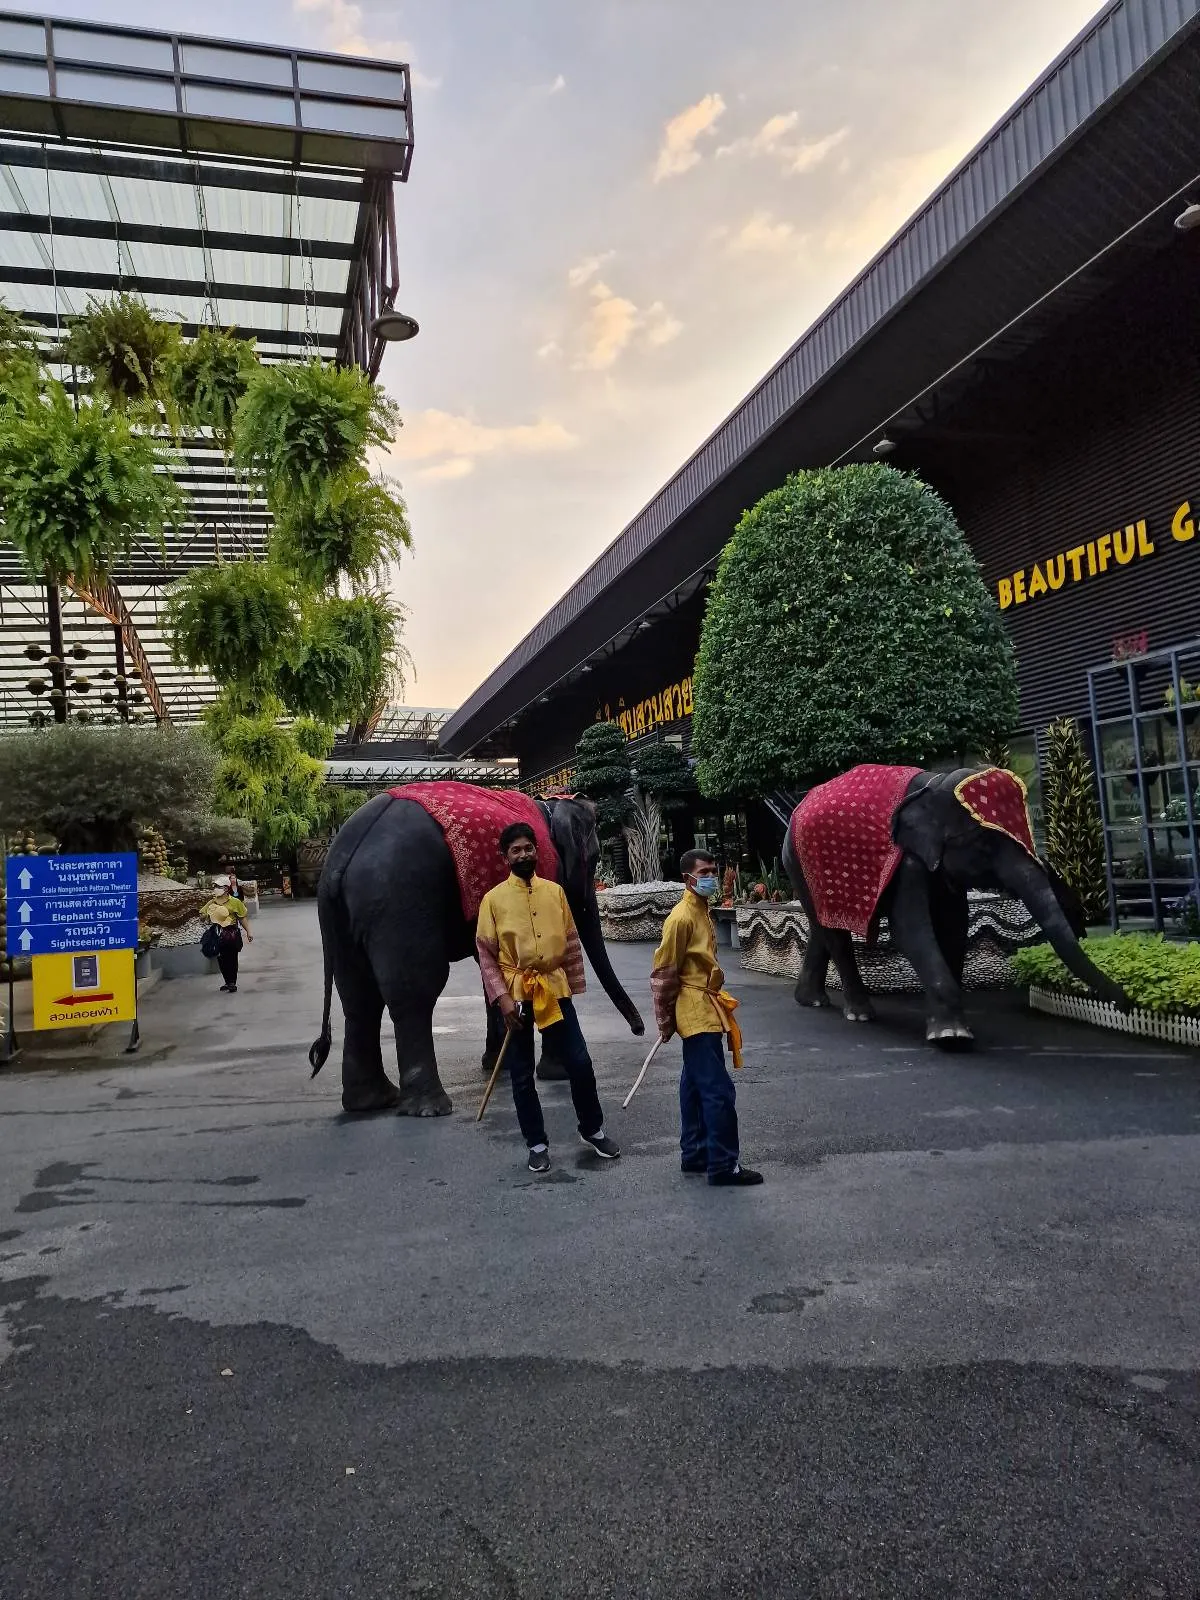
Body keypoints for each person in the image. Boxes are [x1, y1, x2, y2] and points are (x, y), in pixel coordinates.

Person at [476, 821, 620, 1174]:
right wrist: (502, 1000)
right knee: (522, 1075)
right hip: (516, 995)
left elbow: (571, 940)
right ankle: (536, 1143)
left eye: (528, 848)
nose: (523, 854)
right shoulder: (493, 900)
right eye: (516, 850)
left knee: (580, 1063)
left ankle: (592, 1129)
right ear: (505, 856)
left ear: (536, 851)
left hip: (554, 991)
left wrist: (571, 985)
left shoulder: (555, 892)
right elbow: (486, 954)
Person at [651, 849, 762, 1187]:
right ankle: (723, 1165)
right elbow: (664, 971)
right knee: (717, 1091)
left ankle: (696, 1153)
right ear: (688, 878)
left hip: (704, 1005)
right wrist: (666, 1019)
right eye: (706, 871)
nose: (712, 876)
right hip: (696, 1010)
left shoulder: (701, 910)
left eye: (714, 869)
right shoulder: (682, 917)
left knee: (695, 1084)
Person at [200, 887, 252, 994]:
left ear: (226, 889)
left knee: (232, 957)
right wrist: (204, 916)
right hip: (217, 933)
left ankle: (232, 982)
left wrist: (248, 932)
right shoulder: (212, 902)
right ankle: (227, 981)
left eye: (220, 887)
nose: (216, 889)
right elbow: (202, 914)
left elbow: (242, 918)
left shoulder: (235, 902)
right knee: (221, 958)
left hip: (231, 932)